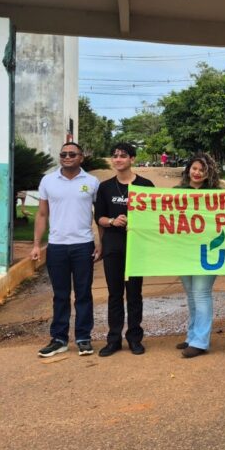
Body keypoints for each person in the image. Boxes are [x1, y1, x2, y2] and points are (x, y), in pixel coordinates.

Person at [32, 142, 101, 358]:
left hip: (83, 245)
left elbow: (99, 215)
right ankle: (59, 339)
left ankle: (83, 338)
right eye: (63, 154)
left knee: (83, 293)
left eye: (72, 154)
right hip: (57, 246)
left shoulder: (91, 182)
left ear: (81, 157)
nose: (67, 157)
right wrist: (36, 244)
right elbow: (42, 214)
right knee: (60, 295)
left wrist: (100, 243)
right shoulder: (48, 181)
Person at [95, 142, 154, 357]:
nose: (118, 159)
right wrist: (112, 221)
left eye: (123, 156)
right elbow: (99, 217)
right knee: (115, 294)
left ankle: (135, 338)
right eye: (115, 156)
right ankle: (113, 339)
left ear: (132, 159)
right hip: (113, 246)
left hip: (136, 247)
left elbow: (154, 216)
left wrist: (137, 222)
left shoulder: (145, 185)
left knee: (134, 294)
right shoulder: (105, 187)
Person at [175, 153, 222, 358]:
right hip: (184, 251)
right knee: (191, 295)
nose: (197, 173)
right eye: (194, 168)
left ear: (209, 173)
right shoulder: (176, 192)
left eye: (202, 170)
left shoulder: (217, 195)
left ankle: (200, 341)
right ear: (188, 170)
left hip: (208, 251)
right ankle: (192, 335)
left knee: (201, 293)